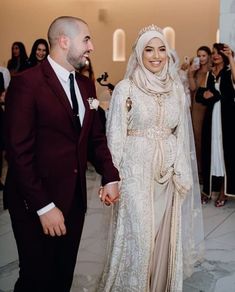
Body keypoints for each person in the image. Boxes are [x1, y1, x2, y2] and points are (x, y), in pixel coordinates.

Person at [4, 16, 120, 292]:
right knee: (36, 278)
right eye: (86, 40)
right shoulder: (26, 83)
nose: (91, 47)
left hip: (75, 201)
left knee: (62, 276)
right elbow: (18, 152)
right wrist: (44, 206)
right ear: (64, 41)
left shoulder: (86, 86)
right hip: (35, 203)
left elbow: (94, 137)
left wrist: (110, 176)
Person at [97, 24, 204, 292]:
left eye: (161, 50)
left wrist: (181, 170)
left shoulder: (176, 90)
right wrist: (113, 178)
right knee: (140, 239)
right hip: (135, 175)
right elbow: (115, 138)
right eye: (149, 50)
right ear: (138, 53)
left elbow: (180, 134)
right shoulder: (126, 89)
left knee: (164, 239)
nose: (156, 56)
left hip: (167, 175)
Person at [195, 43, 235, 207]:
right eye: (214, 52)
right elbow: (201, 93)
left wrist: (232, 58)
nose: (216, 55)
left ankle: (225, 193)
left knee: (227, 152)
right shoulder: (210, 74)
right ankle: (208, 190)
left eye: (219, 52)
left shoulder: (228, 71)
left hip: (227, 117)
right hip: (212, 117)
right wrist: (205, 94)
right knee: (210, 150)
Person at [188, 46, 211, 187]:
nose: (201, 58)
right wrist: (190, 74)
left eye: (204, 55)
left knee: (208, 139)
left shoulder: (213, 69)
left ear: (208, 56)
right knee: (197, 140)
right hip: (197, 108)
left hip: (209, 107)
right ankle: (200, 174)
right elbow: (193, 88)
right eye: (199, 56)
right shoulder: (196, 71)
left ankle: (209, 173)